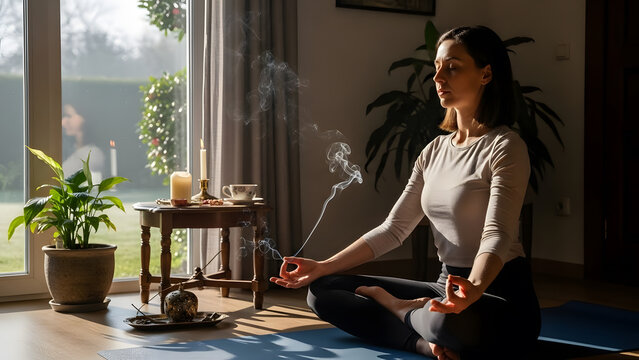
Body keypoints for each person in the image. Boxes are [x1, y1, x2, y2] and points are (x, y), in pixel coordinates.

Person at [270, 25, 541, 359]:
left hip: (498, 295)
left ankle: (401, 310)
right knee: (324, 291)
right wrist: (324, 265)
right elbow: (394, 229)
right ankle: (421, 343)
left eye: (452, 67)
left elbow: (496, 234)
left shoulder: (505, 147)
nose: (438, 77)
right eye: (437, 68)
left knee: (450, 323)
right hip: (444, 286)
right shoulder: (433, 152)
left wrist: (473, 289)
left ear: (485, 74)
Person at [61, 103, 105, 181]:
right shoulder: (68, 149)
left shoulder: (93, 154)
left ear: (84, 117)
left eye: (69, 116)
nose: (63, 122)